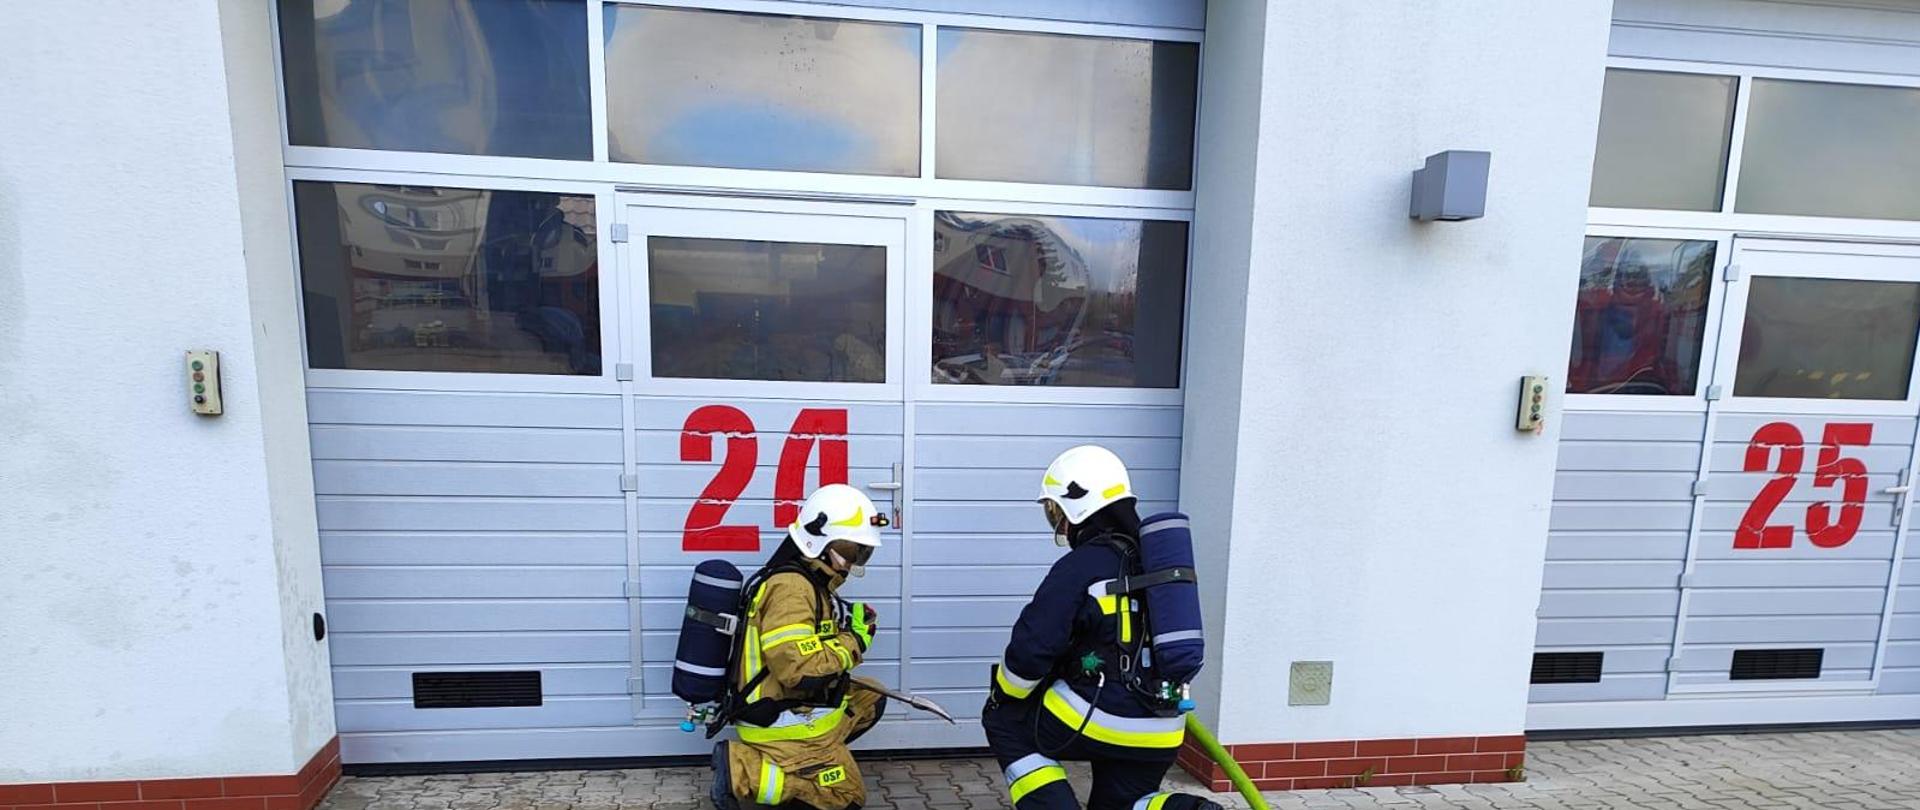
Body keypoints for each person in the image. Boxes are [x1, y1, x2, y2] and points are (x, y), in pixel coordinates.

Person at [982, 446, 1221, 810]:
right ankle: (1183, 809)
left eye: (1057, 511)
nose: (1058, 522)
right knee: (1123, 803)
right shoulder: (1159, 565)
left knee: (1004, 720)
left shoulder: (1082, 565)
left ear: (1075, 506)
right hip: (1163, 728)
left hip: (1100, 718)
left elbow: (1030, 652)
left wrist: (1005, 693)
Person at [711, 484, 887, 810]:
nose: (854, 561)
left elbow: (808, 644)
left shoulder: (810, 582)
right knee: (845, 798)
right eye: (851, 550)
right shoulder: (791, 588)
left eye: (862, 552)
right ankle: (743, 769)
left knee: (871, 695)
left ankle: (813, 759)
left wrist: (844, 623)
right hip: (777, 715)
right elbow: (798, 671)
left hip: (792, 703)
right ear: (818, 539)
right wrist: (855, 640)